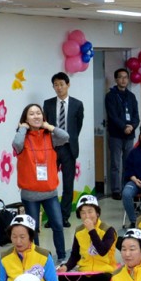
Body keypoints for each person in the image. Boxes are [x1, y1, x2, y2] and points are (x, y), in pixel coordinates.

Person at [13, 101, 71, 260]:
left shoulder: (50, 137)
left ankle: (62, 257)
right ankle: (37, 258)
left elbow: (66, 137)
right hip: (30, 194)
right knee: (34, 229)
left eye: (38, 113)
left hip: (50, 192)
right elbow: (16, 144)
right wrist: (22, 128)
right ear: (25, 119)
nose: (36, 116)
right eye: (31, 114)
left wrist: (49, 126)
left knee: (58, 225)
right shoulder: (22, 137)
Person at [0, 213, 60, 281]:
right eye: (14, 237)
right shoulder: (5, 258)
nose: (18, 241)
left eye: (22, 237)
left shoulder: (44, 256)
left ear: (31, 236)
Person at [62, 195, 118, 281]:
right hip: (85, 272)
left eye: (90, 211)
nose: (87, 216)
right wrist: (66, 267)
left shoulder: (108, 230)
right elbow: (75, 255)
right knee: (63, 278)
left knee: (105, 278)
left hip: (104, 271)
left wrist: (92, 230)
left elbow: (102, 251)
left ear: (97, 213)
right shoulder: (79, 231)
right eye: (83, 213)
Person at [47, 71, 84, 211]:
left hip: (69, 148)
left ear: (68, 85)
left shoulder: (77, 104)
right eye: (56, 85)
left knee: (68, 184)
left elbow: (78, 126)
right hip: (52, 147)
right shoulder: (48, 104)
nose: (59, 87)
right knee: (50, 182)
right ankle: (52, 214)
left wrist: (69, 139)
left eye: (61, 84)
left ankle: (64, 215)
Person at [105, 67, 139, 198]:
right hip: (116, 135)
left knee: (128, 163)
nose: (123, 80)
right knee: (115, 163)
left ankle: (126, 189)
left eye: (125, 77)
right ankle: (116, 190)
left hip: (130, 135)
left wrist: (132, 126)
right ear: (116, 79)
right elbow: (112, 116)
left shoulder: (131, 96)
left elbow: (136, 115)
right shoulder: (110, 96)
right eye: (120, 77)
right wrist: (124, 127)